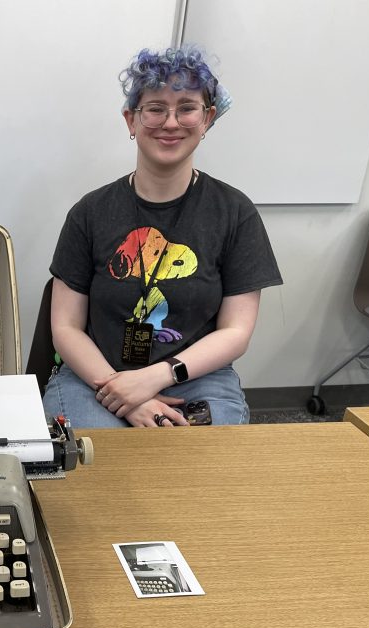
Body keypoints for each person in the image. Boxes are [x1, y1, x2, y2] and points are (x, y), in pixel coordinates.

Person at [40, 46, 282, 430]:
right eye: (155, 108)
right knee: (96, 470)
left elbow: (235, 332)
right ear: (131, 120)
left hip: (195, 376)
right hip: (96, 377)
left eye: (186, 108)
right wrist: (121, 394)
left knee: (199, 476)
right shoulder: (90, 212)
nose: (171, 122)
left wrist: (154, 378)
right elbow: (66, 328)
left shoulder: (236, 213)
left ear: (207, 119)